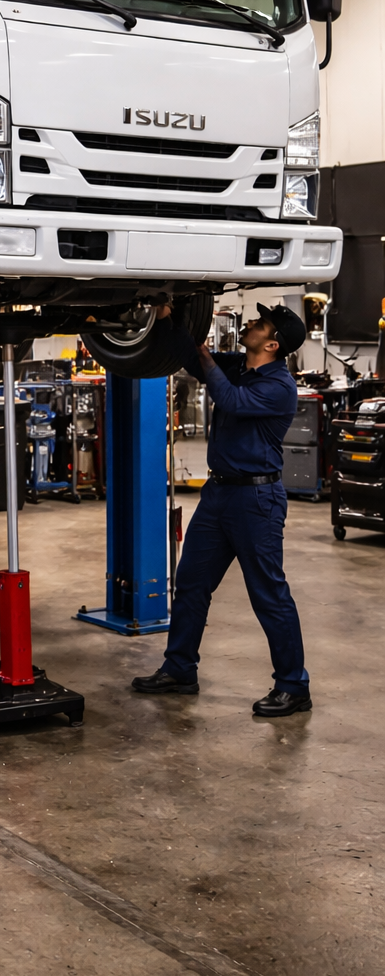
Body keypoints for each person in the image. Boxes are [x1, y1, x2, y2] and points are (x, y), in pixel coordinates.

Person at [131, 301, 311, 717]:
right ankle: (179, 670)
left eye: (259, 323)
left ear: (272, 343)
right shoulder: (241, 367)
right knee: (191, 582)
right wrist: (166, 318)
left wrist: (210, 362)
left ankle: (293, 686)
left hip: (256, 501)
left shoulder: (278, 386)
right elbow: (193, 357)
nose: (250, 323)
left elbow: (230, 400)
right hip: (218, 496)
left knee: (269, 594)